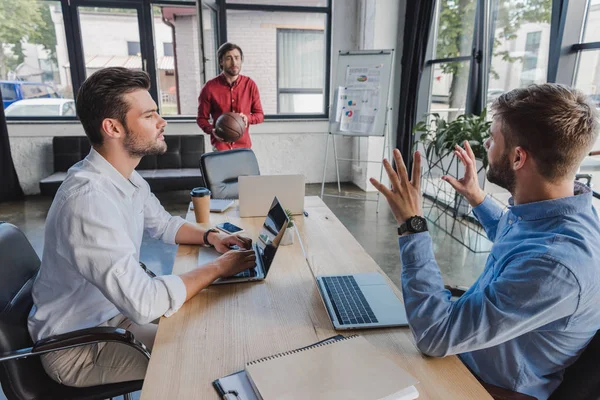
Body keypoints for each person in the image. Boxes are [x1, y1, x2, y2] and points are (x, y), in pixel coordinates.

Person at [28, 67, 257, 388]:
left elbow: (162, 224)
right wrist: (219, 268)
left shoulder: (124, 176)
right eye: (149, 116)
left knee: (212, 327)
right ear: (113, 127)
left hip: (114, 317)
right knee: (209, 360)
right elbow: (144, 302)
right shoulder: (88, 201)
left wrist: (212, 236)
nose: (162, 122)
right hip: (78, 348)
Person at [370, 83, 600, 400]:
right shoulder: (561, 214)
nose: (487, 144)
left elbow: (434, 335)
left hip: (485, 385)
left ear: (518, 157)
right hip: (469, 353)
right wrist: (478, 199)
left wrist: (413, 225)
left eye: (493, 138)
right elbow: (520, 240)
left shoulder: (555, 266)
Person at [196, 42, 264, 151]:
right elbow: (201, 118)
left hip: (244, 147)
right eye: (229, 58)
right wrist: (212, 130)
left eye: (237, 58)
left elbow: (259, 115)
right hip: (220, 147)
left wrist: (248, 118)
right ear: (221, 61)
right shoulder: (209, 87)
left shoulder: (250, 85)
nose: (234, 62)